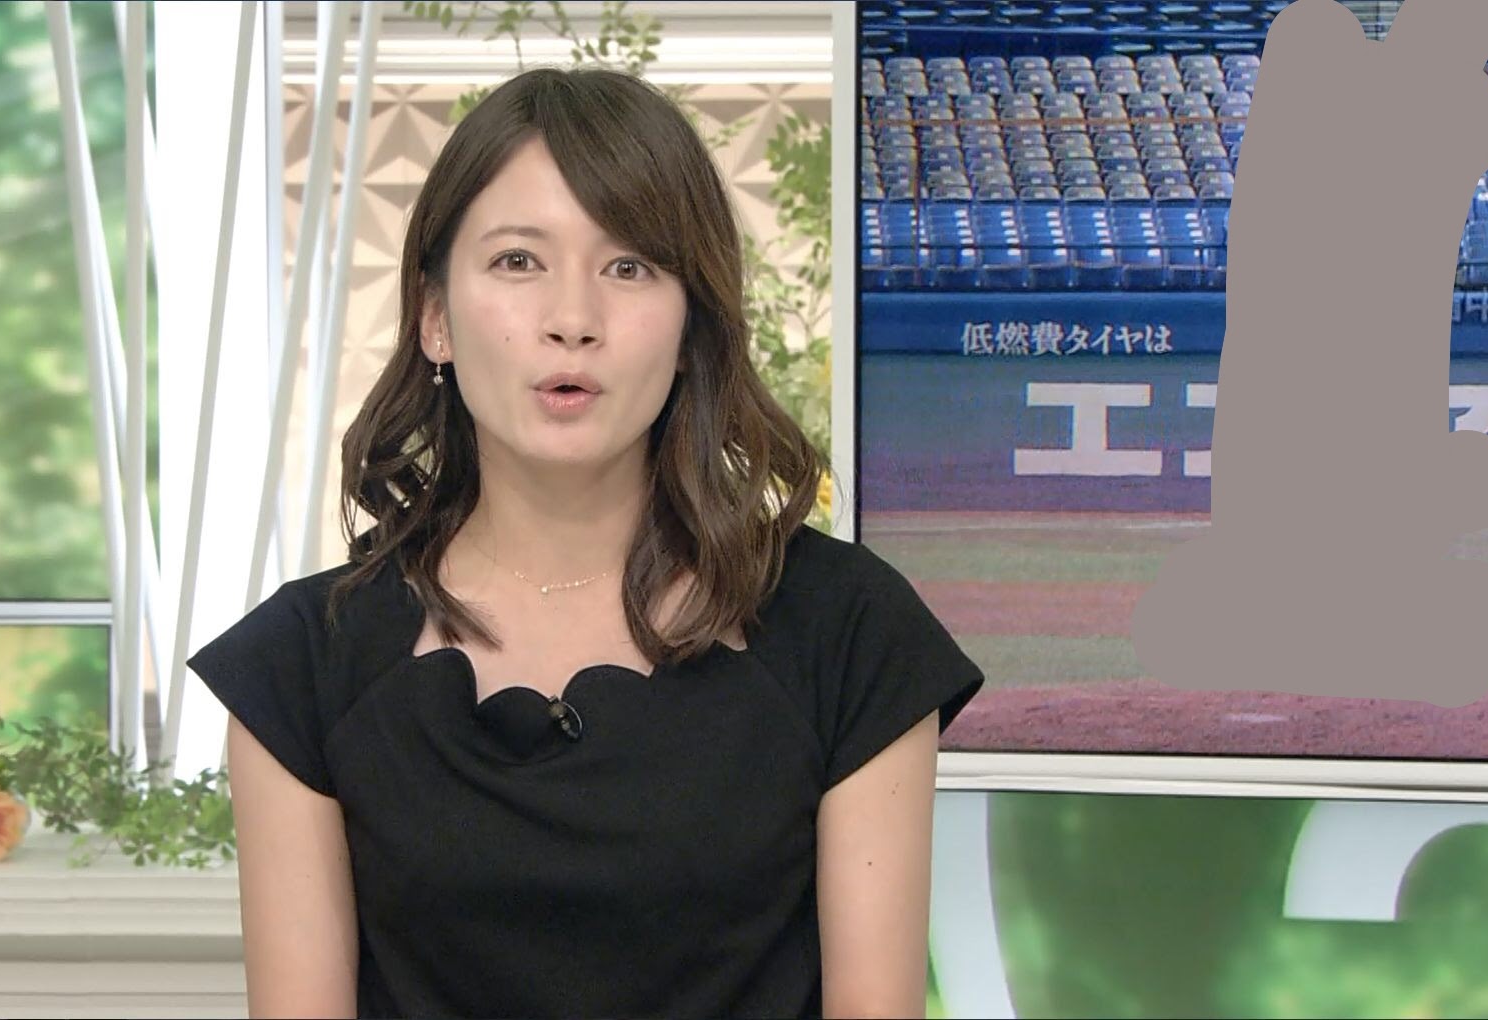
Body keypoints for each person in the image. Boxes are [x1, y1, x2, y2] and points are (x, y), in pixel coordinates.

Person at [188, 66, 984, 1020]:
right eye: (518, 261)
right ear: (435, 318)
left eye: (629, 267)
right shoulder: (301, 667)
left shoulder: (850, 633)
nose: (572, 321)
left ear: (690, 327)